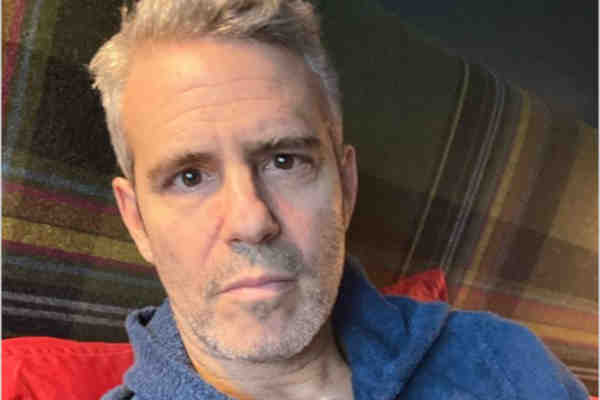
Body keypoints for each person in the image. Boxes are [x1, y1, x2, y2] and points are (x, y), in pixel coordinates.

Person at [89, 1, 589, 399]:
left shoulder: (505, 365)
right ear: (137, 221)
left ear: (345, 188)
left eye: (284, 161)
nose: (251, 221)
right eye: (190, 177)